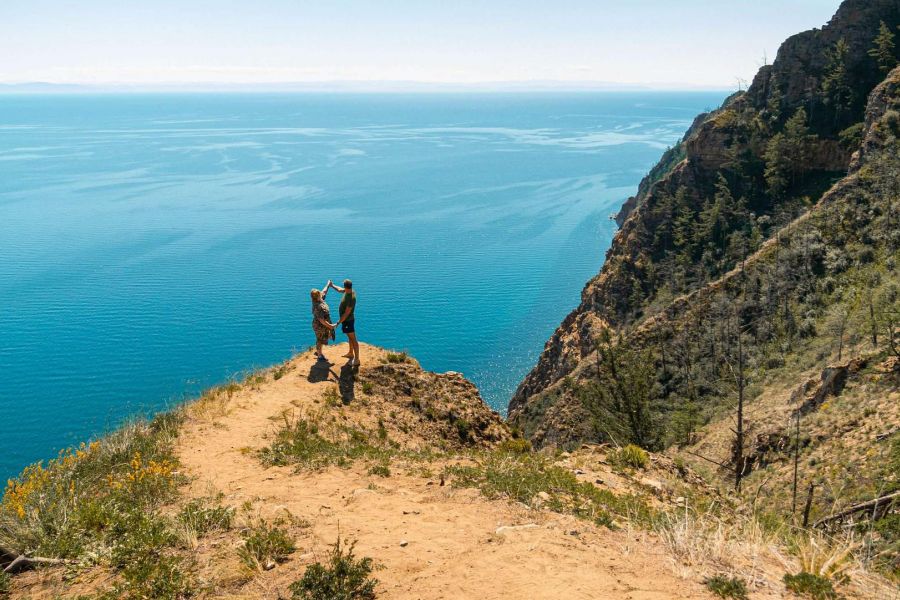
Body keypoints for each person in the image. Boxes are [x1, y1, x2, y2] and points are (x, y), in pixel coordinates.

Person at [328, 278, 359, 365]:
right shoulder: (348, 291)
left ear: (345, 287)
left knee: (353, 339)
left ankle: (357, 360)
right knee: (349, 337)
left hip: (348, 320)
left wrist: (337, 323)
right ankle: (350, 353)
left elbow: (346, 313)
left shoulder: (351, 298)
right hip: (345, 320)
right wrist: (332, 285)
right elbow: (339, 289)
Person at [310, 281, 336, 361]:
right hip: (320, 325)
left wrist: (328, 284)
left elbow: (324, 291)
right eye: (319, 293)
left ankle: (318, 351)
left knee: (323, 337)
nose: (321, 293)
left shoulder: (319, 300)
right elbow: (322, 320)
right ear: (317, 296)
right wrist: (330, 326)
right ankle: (320, 355)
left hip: (322, 324)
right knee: (320, 339)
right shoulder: (319, 306)